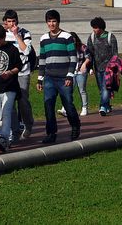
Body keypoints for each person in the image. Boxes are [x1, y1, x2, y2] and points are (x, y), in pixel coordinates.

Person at [37, 9, 81, 143]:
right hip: (49, 78)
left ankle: (75, 126)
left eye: (54, 21)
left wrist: (69, 76)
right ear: (46, 23)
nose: (51, 24)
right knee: (48, 105)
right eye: (49, 21)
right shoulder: (43, 38)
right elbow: (42, 59)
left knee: (68, 104)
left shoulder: (67, 37)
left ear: (58, 22)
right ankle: (51, 133)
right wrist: (40, 78)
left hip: (64, 78)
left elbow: (73, 58)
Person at [0, 24, 22, 152]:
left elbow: (18, 66)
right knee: (1, 110)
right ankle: (14, 131)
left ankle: (3, 137)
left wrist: (9, 73)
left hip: (10, 86)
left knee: (6, 111)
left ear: (4, 37)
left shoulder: (12, 49)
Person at [2, 9, 35, 141]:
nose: (11, 24)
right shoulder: (2, 34)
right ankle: (15, 130)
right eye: (9, 21)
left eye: (13, 21)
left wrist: (16, 36)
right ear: (5, 22)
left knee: (22, 101)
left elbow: (26, 51)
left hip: (23, 72)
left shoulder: (25, 33)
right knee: (9, 103)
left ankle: (28, 125)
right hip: (8, 74)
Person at [85, 17, 119, 115]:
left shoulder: (110, 37)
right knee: (102, 89)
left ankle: (102, 106)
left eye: (96, 28)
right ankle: (107, 106)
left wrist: (114, 67)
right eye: (93, 28)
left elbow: (115, 54)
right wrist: (89, 67)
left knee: (105, 87)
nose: (94, 30)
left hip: (109, 69)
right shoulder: (91, 37)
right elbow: (89, 52)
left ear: (101, 28)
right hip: (97, 67)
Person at [64, 32, 90, 117]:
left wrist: (84, 64)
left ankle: (85, 107)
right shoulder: (67, 48)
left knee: (82, 90)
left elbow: (88, 58)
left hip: (80, 72)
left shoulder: (82, 47)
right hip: (71, 72)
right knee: (69, 90)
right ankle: (66, 108)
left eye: (73, 39)